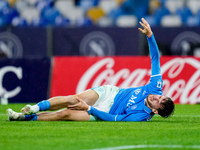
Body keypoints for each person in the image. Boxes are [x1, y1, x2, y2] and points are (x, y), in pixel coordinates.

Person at [7, 18, 175, 122]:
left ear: (154, 111)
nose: (156, 96)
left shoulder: (140, 117)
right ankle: (34, 108)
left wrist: (89, 109)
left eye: (157, 101)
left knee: (65, 114)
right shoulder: (156, 87)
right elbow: (155, 59)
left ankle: (24, 117)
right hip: (111, 93)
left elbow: (113, 119)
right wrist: (150, 37)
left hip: (103, 112)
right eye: (160, 96)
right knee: (72, 100)